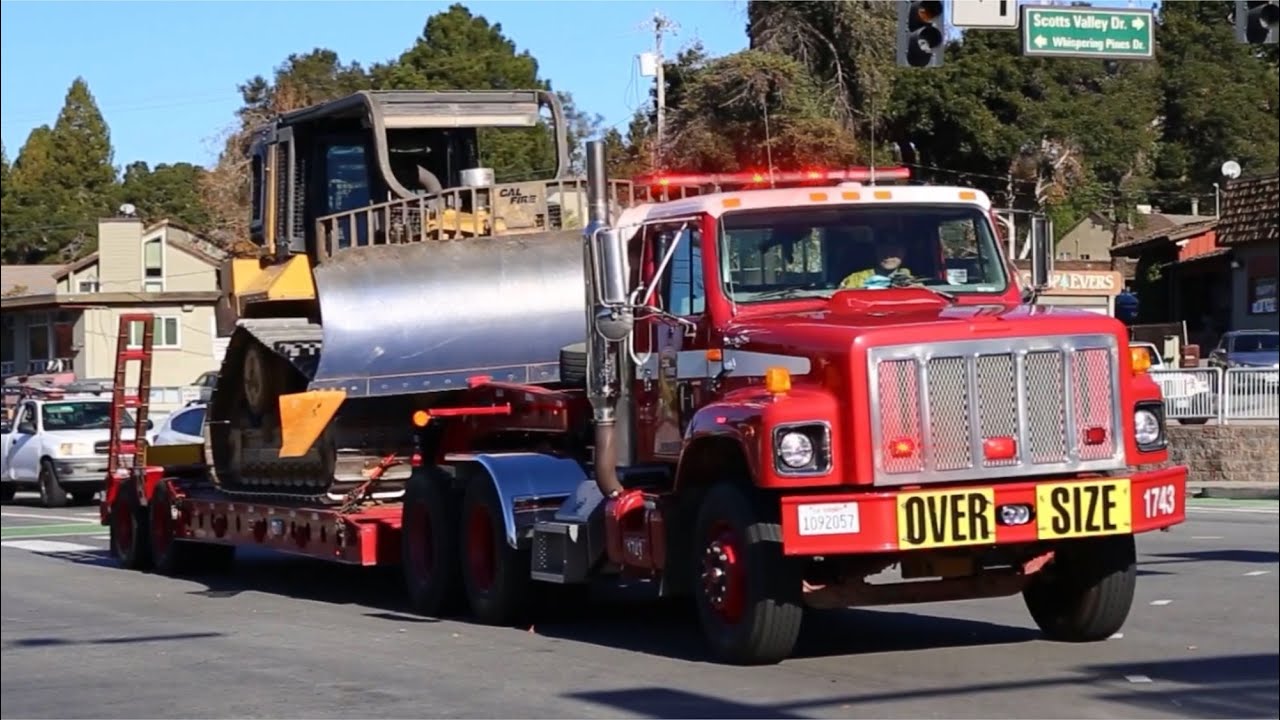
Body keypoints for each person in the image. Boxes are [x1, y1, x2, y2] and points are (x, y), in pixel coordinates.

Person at [840, 240, 914, 289]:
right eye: (883, 250)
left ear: (904, 253)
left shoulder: (912, 281)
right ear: (876, 252)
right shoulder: (856, 279)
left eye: (894, 251)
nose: (888, 256)